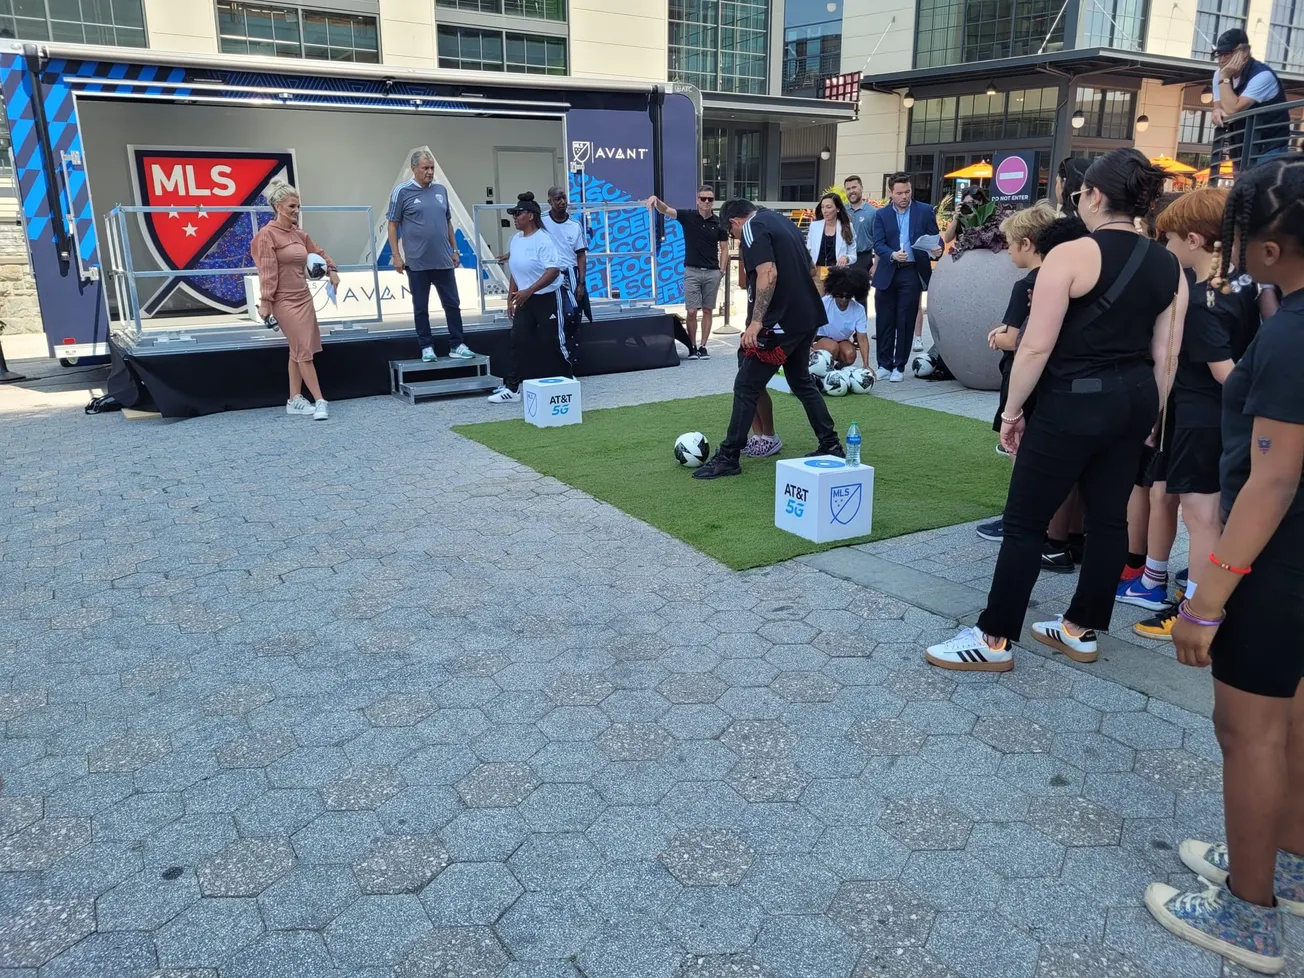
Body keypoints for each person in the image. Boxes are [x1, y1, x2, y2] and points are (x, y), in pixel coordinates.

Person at [924, 148, 1186, 673]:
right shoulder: (1169, 264)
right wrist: (1154, 417)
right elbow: (1168, 353)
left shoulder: (1071, 255)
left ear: (1092, 195)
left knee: (1024, 521)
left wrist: (1012, 411)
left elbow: (1036, 347)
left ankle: (994, 638)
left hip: (1072, 401)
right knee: (1109, 520)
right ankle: (1080, 627)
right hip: (1135, 400)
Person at [1151, 155, 1304, 977]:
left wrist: (1208, 596)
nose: (1232, 249)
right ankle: (1285, 860)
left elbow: (1273, 479)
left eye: (1241, 237)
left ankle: (1251, 915)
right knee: (1289, 720)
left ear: (1271, 249)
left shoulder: (1286, 337)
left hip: (1275, 565)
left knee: (1246, 732)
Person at [1130, 191, 1262, 643]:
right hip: (1219, 421)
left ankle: (1197, 609)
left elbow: (1229, 375)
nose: (1164, 248)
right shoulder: (1246, 282)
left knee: (1200, 516)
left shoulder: (1205, 300)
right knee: (1209, 513)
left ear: (1192, 239)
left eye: (1167, 239)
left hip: (1202, 417)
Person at [691, 200, 843, 480]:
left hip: (780, 323)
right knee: (801, 382)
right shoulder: (785, 223)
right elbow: (810, 269)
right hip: (806, 317)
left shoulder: (751, 227)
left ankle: (729, 456)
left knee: (746, 384)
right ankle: (830, 444)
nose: (736, 239)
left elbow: (768, 272)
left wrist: (757, 322)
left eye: (731, 234)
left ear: (734, 222)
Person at [974, 207, 1086, 550]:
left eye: (1009, 243)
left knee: (1020, 454)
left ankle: (1021, 521)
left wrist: (997, 337)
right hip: (1060, 382)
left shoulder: (1029, 283)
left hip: (1025, 379)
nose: (1007, 250)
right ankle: (1067, 533)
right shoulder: (1074, 277)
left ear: (1026, 243)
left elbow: (1015, 337)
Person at [251, 181, 339, 422]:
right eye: (292, 205)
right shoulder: (266, 235)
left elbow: (319, 252)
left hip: (303, 297)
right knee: (303, 352)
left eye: (298, 206)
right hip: (283, 301)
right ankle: (320, 400)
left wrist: (332, 269)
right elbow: (267, 271)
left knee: (297, 351)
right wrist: (266, 302)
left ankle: (294, 399)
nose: (296, 210)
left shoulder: (300, 234)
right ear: (278, 206)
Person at [387, 150, 475, 363]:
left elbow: (448, 222)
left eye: (432, 167)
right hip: (417, 262)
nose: (429, 172)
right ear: (414, 169)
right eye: (425, 168)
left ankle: (457, 343)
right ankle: (426, 346)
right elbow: (393, 224)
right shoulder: (402, 192)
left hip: (443, 260)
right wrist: (396, 255)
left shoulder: (440, 190)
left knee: (452, 303)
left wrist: (455, 250)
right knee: (421, 306)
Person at [485, 193, 568, 405]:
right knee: (517, 339)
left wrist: (528, 291)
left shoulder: (544, 239)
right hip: (525, 298)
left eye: (518, 214)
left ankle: (567, 380)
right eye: (513, 214)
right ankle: (512, 388)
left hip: (546, 297)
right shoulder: (515, 240)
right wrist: (511, 297)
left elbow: (553, 271)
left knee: (552, 341)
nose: (514, 218)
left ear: (530, 216)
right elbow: (516, 269)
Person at [871, 173, 941, 383]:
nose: (904, 196)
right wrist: (891, 254)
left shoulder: (925, 211)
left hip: (912, 271)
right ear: (891, 193)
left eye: (908, 192)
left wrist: (937, 250)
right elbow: (878, 243)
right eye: (899, 193)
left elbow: (935, 238)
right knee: (884, 320)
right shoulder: (881, 215)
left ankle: (899, 366)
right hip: (888, 270)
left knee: (905, 319)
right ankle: (883, 364)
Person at [649, 187, 729, 360]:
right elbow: (666, 210)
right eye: (703, 198)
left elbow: (724, 248)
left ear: (713, 201)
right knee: (691, 311)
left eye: (710, 199)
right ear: (697, 199)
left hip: (712, 272)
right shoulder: (688, 216)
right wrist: (656, 200)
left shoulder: (719, 223)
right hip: (691, 271)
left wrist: (721, 271)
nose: (706, 202)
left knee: (708, 310)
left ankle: (703, 346)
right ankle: (692, 346)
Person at [1211, 28, 1290, 164]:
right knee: (1243, 185)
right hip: (1240, 148)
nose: (1222, 59)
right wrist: (1217, 111)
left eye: (1228, 53)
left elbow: (1232, 109)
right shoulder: (1219, 74)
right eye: (1219, 54)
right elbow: (1220, 107)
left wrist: (1224, 77)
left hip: (1269, 148)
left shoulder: (1262, 75)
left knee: (1262, 184)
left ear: (1245, 53)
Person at [814, 265, 872, 370]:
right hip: (820, 339)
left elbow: (862, 339)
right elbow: (811, 327)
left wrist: (866, 365)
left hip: (841, 340)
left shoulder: (858, 310)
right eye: (840, 295)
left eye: (848, 296)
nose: (844, 299)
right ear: (834, 293)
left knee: (850, 354)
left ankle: (837, 370)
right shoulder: (824, 303)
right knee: (832, 347)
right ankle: (822, 371)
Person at [541, 185, 588, 301]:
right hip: (547, 276)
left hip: (570, 275)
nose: (562, 202)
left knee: (572, 314)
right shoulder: (541, 220)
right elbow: (528, 239)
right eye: (557, 199)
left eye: (564, 198)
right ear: (550, 202)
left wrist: (581, 283)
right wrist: (511, 253)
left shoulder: (575, 225)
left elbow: (581, 255)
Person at [806, 193, 856, 285]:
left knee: (837, 298)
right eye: (822, 207)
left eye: (828, 207)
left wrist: (846, 258)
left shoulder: (847, 227)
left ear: (837, 209)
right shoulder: (814, 226)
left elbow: (853, 255)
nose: (825, 211)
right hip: (816, 273)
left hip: (838, 273)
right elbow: (808, 250)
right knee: (817, 299)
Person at [844, 176, 877, 279]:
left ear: (861, 188)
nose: (851, 191)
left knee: (859, 293)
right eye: (848, 189)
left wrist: (876, 265)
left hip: (863, 259)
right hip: (843, 259)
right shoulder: (841, 211)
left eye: (854, 187)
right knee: (841, 293)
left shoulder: (873, 212)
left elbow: (878, 241)